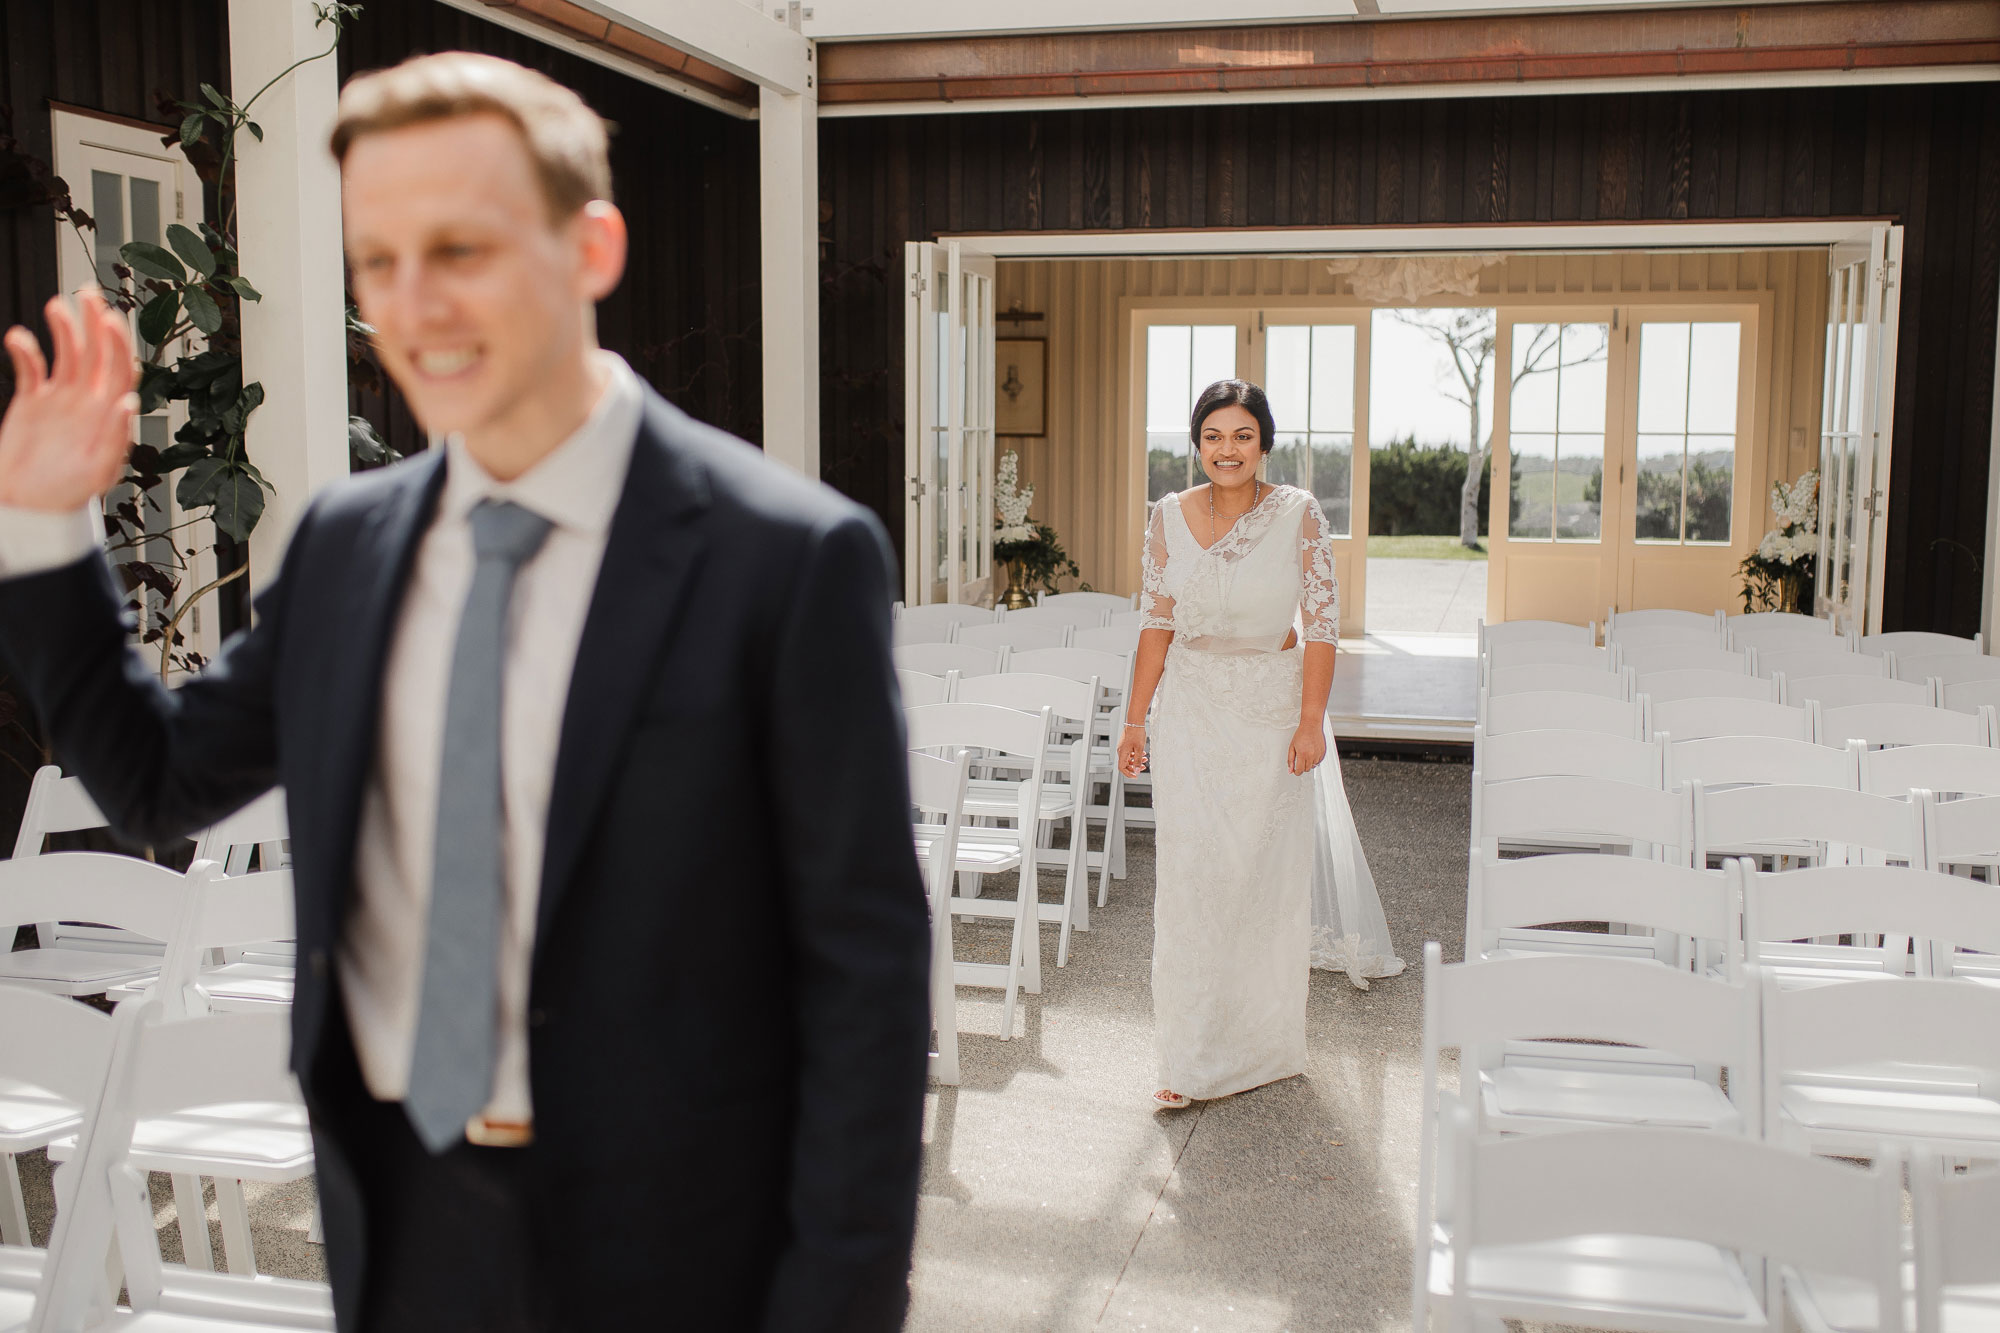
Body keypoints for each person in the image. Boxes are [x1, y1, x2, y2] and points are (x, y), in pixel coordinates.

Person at [0, 53, 930, 1333]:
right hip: (401, 1226)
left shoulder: (787, 559)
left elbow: (865, 982)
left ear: (591, 246)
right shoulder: (342, 550)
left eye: (462, 249)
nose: (415, 304)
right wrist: (44, 526)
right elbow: (155, 782)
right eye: (376, 262)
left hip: (680, 1249)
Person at [1116, 379, 1403, 1111]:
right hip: (1191, 710)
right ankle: (1186, 1056)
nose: (1227, 449)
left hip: (1271, 715)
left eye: (1242, 435)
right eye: (1214, 435)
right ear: (1197, 443)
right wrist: (1134, 718)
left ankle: (1260, 1046)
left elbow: (1323, 623)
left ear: (1264, 442)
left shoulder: (1298, 514)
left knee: (1259, 880)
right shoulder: (1166, 516)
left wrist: (1311, 719)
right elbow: (1156, 623)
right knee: (1190, 881)